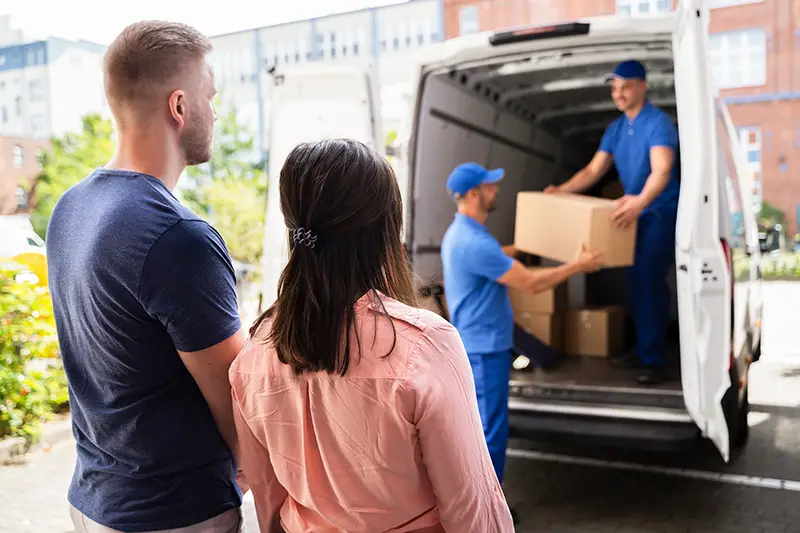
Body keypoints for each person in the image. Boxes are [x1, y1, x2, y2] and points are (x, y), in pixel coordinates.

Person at [230, 139, 515, 533]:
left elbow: (267, 497)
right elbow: (472, 509)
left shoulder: (255, 351)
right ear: (385, 232)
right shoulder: (424, 344)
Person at [46, 21, 246, 533]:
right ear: (179, 106)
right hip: (175, 514)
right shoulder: (178, 237)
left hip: (94, 502)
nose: (216, 110)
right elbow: (238, 402)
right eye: (210, 95)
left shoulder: (70, 207)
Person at [440, 162, 603, 510]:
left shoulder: (463, 232)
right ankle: (487, 510)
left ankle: (480, 503)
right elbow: (531, 283)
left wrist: (533, 242)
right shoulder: (474, 242)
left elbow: (498, 255)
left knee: (486, 426)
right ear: (473, 194)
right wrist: (577, 266)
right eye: (490, 186)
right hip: (484, 348)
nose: (495, 191)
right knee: (490, 432)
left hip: (480, 341)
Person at [544, 59, 681, 385]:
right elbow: (594, 171)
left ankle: (655, 360)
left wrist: (641, 201)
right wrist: (559, 191)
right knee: (634, 283)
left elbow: (662, 170)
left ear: (642, 86)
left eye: (625, 87)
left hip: (657, 211)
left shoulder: (657, 123)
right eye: (614, 88)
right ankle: (643, 347)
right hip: (629, 213)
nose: (618, 94)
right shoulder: (616, 129)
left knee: (648, 281)